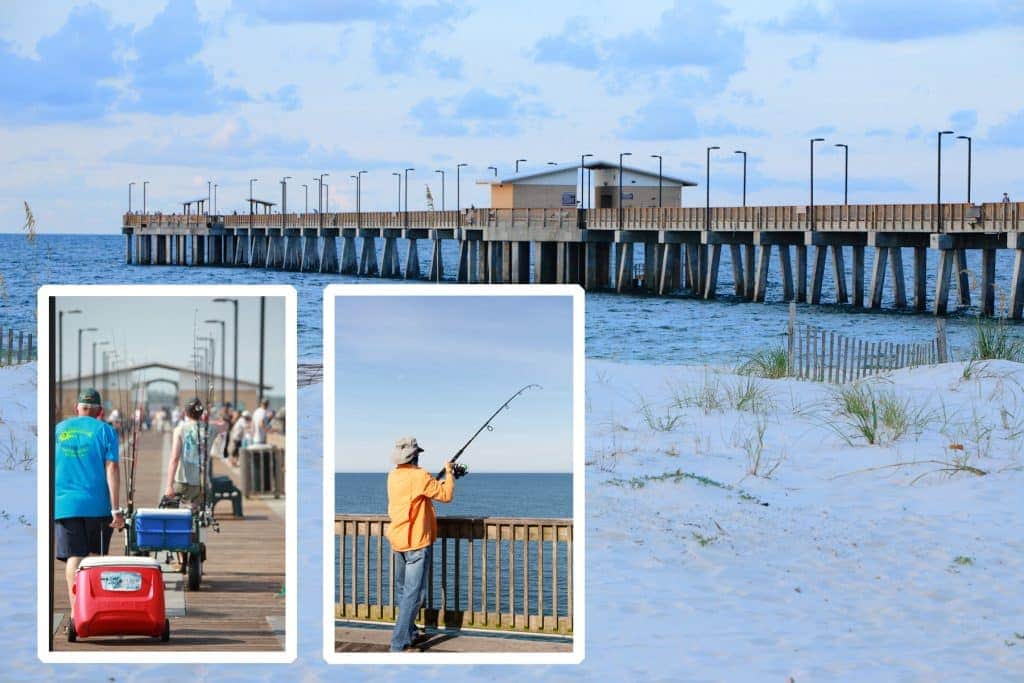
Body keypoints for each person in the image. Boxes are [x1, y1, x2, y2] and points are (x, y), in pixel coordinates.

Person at [54, 388, 124, 624]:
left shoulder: (58, 430)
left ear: (77, 408)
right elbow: (112, 468)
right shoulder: (105, 430)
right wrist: (116, 509)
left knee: (74, 557)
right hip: (98, 506)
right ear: (100, 411)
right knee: (95, 558)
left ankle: (76, 613)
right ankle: (93, 610)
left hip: (65, 505)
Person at [385, 437, 454, 652]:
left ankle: (411, 633)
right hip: (416, 542)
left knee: (404, 590)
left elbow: (417, 495)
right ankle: (398, 644)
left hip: (398, 540)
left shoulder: (393, 476)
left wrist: (435, 481)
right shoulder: (420, 476)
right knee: (414, 594)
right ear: (415, 455)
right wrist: (449, 473)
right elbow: (446, 495)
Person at [164, 397, 208, 508]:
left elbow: (174, 459)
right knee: (195, 510)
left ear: (185, 413)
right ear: (201, 413)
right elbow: (224, 425)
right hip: (201, 483)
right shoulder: (209, 429)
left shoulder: (180, 429)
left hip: (182, 481)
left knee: (167, 506)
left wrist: (169, 485)